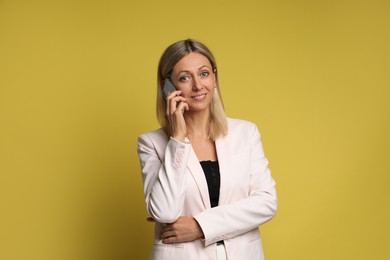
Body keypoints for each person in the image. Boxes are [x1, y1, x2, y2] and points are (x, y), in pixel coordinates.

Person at [137, 39, 277, 260]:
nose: (197, 86)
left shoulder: (245, 133)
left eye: (203, 74)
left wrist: (200, 226)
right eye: (184, 78)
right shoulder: (152, 143)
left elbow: (266, 202)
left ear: (214, 77)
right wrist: (178, 139)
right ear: (168, 88)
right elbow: (165, 211)